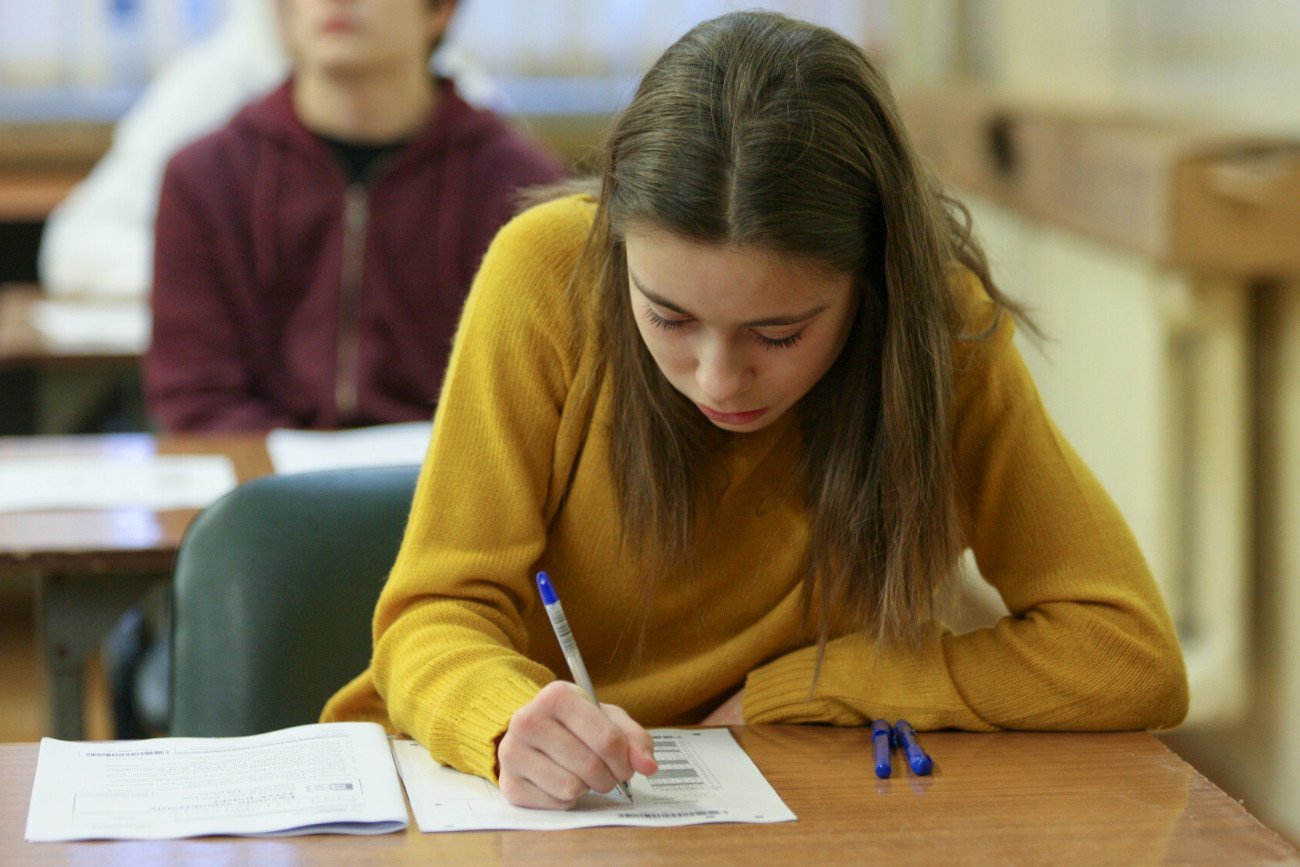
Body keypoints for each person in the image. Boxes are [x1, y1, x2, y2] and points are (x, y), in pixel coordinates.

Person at [321, 11, 1189, 808]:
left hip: (797, 797)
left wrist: (811, 685)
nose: (718, 380)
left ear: (871, 285)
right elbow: (433, 615)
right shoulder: (546, 277)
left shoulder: (938, 331)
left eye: (778, 334)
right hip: (517, 810)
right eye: (668, 318)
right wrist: (506, 718)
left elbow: (1125, 653)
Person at [140, 0, 562, 432]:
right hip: (258, 468)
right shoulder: (206, 178)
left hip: (449, 467)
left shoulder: (519, 185)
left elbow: (530, 398)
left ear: (439, 11)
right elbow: (195, 393)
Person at [36, 0, 503, 299]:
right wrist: (213, 283)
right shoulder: (207, 98)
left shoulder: (479, 130)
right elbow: (77, 247)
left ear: (440, 11)